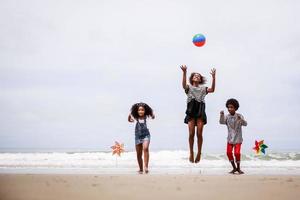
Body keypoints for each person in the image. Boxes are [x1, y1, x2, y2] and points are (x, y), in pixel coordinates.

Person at [180, 65, 216, 163]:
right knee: (191, 134)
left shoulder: (203, 89)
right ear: (192, 78)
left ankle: (199, 152)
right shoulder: (189, 87)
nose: (196, 76)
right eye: (195, 75)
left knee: (199, 134)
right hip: (191, 111)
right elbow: (183, 85)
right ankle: (191, 152)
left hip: (200, 111)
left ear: (200, 80)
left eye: (198, 76)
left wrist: (213, 77)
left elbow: (212, 90)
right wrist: (184, 72)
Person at [220, 98, 247, 174]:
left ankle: (238, 168)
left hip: (238, 138)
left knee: (237, 153)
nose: (229, 109)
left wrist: (241, 120)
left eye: (231, 107)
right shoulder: (227, 117)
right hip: (230, 139)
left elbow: (245, 124)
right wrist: (221, 115)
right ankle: (234, 168)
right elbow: (221, 122)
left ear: (235, 108)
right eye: (228, 107)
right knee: (228, 153)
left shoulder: (239, 115)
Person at [128, 102, 155, 174]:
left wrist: (152, 115)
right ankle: (140, 168)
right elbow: (129, 119)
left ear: (145, 111)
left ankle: (146, 167)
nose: (141, 111)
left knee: (145, 148)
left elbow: (153, 116)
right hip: (137, 137)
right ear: (137, 111)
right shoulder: (136, 117)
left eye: (142, 110)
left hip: (146, 135)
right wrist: (130, 118)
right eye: (139, 110)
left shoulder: (146, 117)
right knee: (138, 154)